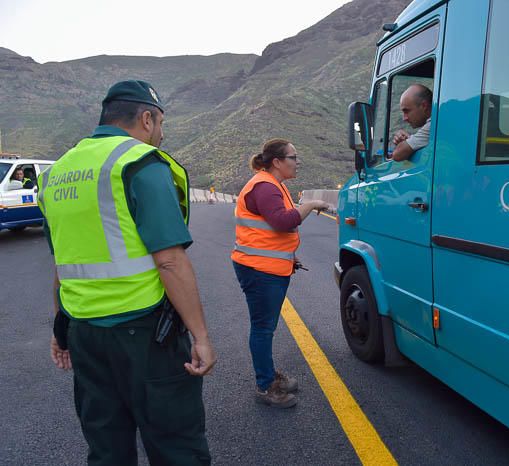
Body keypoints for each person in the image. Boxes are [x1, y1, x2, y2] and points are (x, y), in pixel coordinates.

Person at [37, 80, 216, 466]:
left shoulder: (55, 174)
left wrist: (60, 328)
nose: (162, 134)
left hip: (85, 334)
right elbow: (169, 260)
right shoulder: (138, 163)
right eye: (161, 124)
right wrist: (200, 336)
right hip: (146, 334)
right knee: (176, 447)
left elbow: (62, 262)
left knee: (106, 448)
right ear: (147, 118)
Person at [231, 139, 330, 408]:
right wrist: (310, 204)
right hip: (259, 270)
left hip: (268, 266)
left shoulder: (274, 185)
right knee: (263, 328)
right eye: (293, 157)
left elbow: (270, 232)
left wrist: (290, 255)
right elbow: (283, 222)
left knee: (266, 327)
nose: (297, 162)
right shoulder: (264, 186)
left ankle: (268, 374)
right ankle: (265, 386)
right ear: (277, 161)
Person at [391, 84, 433, 161]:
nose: (404, 118)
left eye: (406, 111)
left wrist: (404, 142)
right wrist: (408, 140)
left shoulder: (432, 126)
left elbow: (397, 155)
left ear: (424, 106)